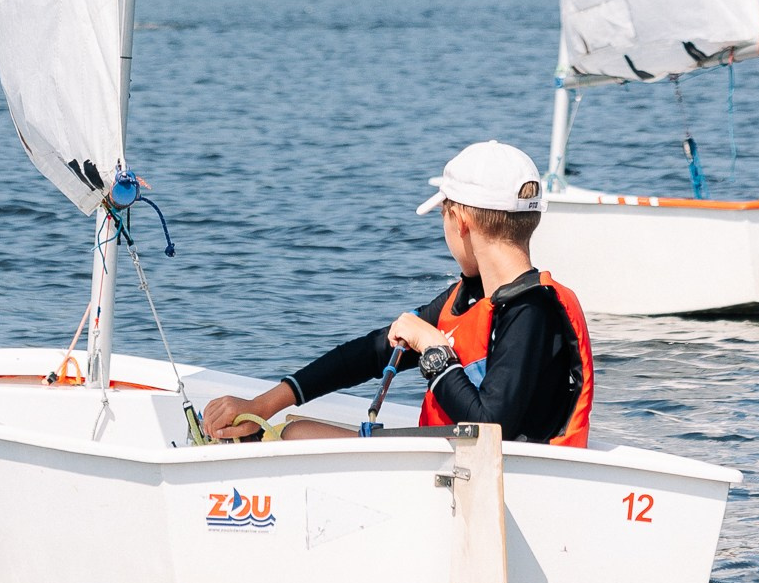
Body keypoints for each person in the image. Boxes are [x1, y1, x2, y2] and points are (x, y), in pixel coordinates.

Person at [199, 139, 595, 447]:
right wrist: (262, 405)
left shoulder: (532, 311)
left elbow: (489, 426)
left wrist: (435, 350)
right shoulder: (470, 297)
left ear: (459, 221)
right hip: (454, 469)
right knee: (291, 428)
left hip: (506, 483)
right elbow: (371, 353)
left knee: (291, 436)